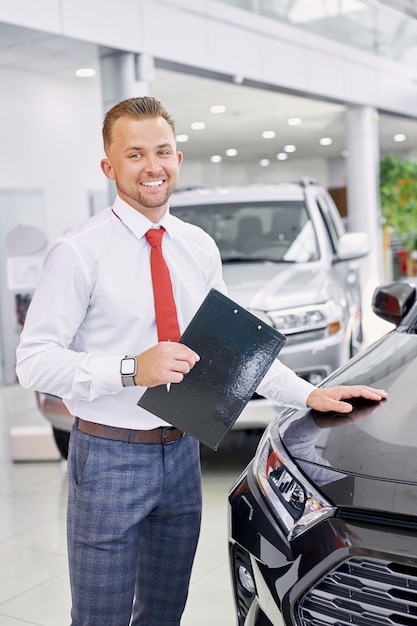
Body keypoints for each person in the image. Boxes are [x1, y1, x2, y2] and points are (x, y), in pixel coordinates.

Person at [15, 96, 387, 626]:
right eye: (135, 154)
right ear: (109, 166)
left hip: (182, 454)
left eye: (162, 151)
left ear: (178, 159)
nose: (152, 167)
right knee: (100, 616)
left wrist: (309, 393)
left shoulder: (197, 247)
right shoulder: (78, 252)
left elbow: (231, 350)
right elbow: (33, 362)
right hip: (108, 456)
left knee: (166, 611)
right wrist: (130, 369)